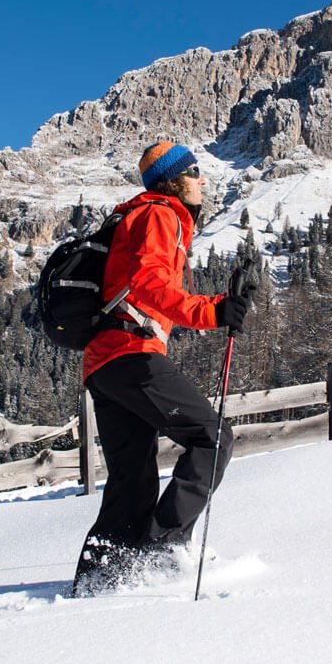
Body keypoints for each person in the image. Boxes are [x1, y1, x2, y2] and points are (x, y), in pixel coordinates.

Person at [70, 141, 255, 597]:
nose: (202, 181)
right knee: (212, 437)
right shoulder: (159, 213)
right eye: (194, 173)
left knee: (132, 477)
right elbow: (148, 284)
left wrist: (216, 306)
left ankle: (101, 577)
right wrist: (214, 312)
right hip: (130, 354)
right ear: (174, 179)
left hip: (104, 363)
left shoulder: (140, 215)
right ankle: (162, 550)